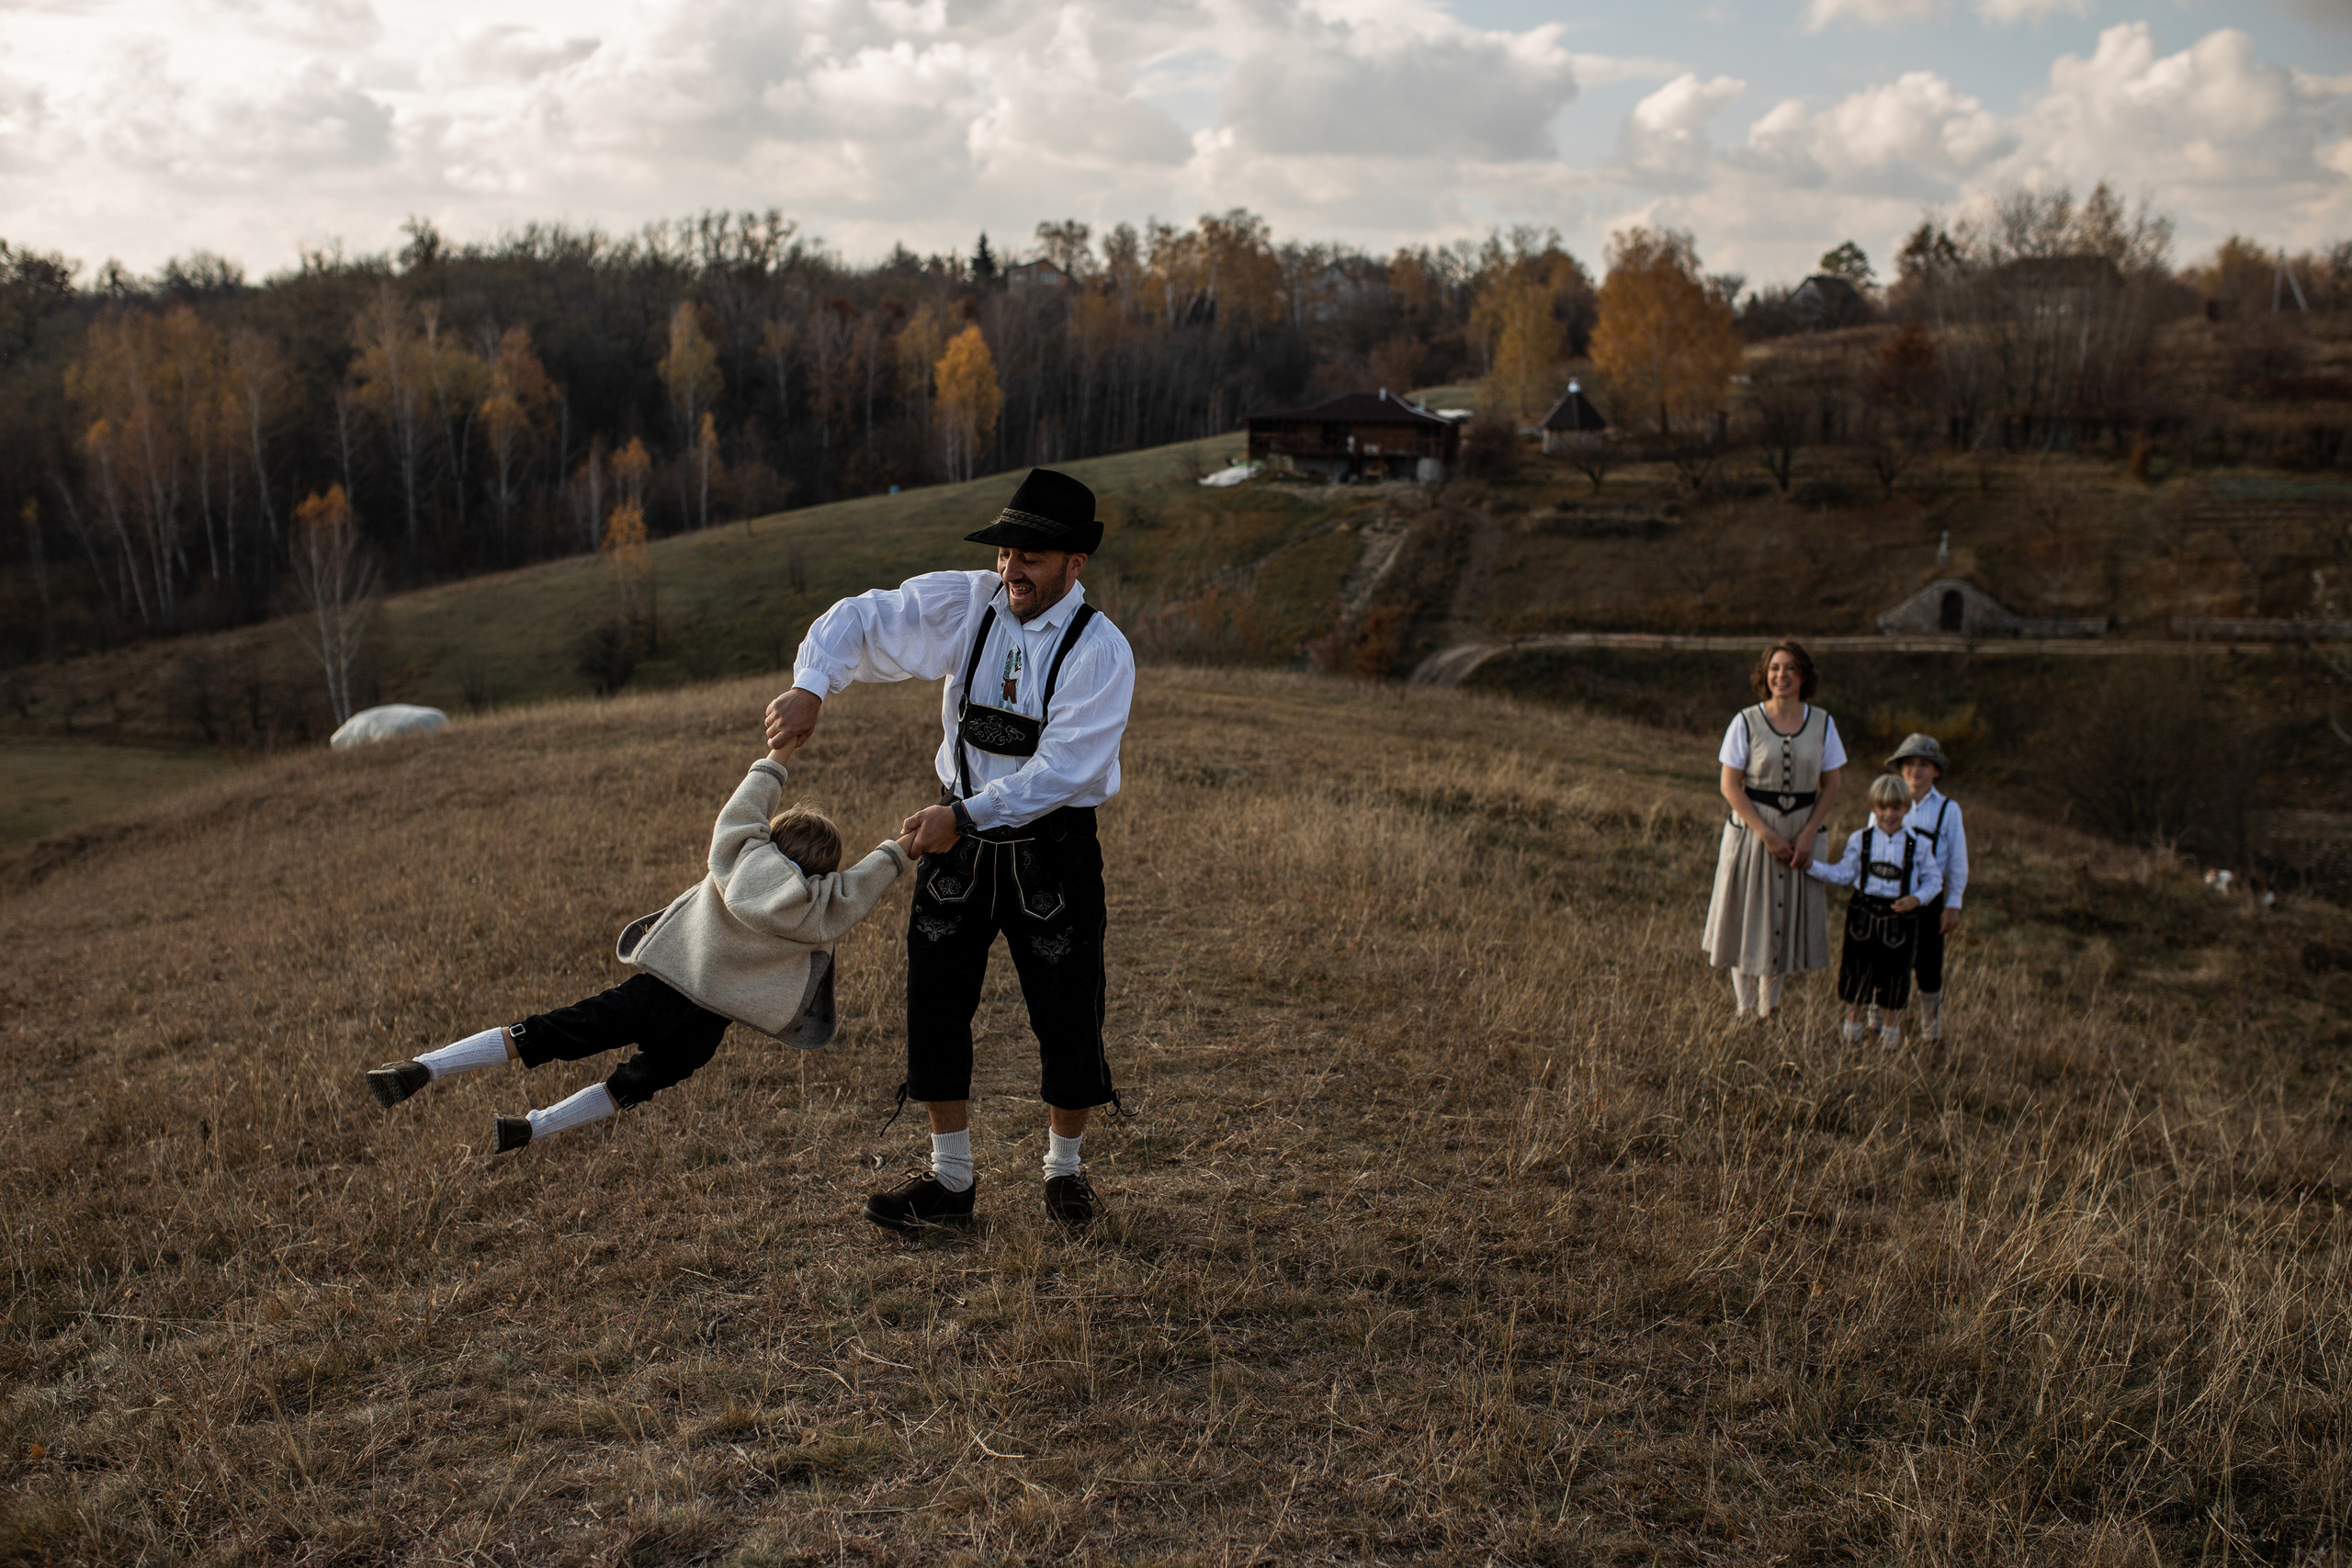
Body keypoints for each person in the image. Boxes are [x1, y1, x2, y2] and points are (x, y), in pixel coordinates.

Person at [763, 467, 1136, 1234]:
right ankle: (951, 1180)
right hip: (957, 843)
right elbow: (867, 617)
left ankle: (1065, 1175)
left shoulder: (1100, 651)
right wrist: (812, 685)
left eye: (1031, 557)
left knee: (1067, 1011)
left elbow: (1061, 772)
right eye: (1005, 552)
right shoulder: (970, 605)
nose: (1011, 569)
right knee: (934, 1003)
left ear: (1075, 563)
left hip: (1050, 849)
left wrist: (962, 817)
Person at [362, 736, 914, 1150]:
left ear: (770, 837)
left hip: (653, 994)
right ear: (825, 875)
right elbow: (861, 886)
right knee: (629, 1087)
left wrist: (780, 752)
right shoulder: (820, 910)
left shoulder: (738, 856)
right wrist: (901, 848)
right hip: (704, 1030)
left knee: (544, 1031)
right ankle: (534, 1128)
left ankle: (427, 1066)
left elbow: (741, 812)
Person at [1702, 639, 1846, 1018]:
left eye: (1791, 668)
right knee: (1746, 916)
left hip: (1801, 831)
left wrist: (1809, 833)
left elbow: (1832, 784)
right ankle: (1745, 1008)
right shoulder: (1746, 721)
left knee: (1784, 917)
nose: (1782, 675)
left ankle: (1771, 1008)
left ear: (1804, 676)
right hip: (1753, 831)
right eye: (1775, 668)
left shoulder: (1823, 723)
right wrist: (1765, 833)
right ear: (1765, 675)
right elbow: (1729, 785)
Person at [1806, 773, 1944, 1047]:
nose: (1889, 814)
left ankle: (1890, 1040)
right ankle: (1851, 1036)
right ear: (1872, 808)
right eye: (1883, 807)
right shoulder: (1862, 840)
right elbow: (1844, 873)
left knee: (1895, 977)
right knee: (1856, 974)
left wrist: (1916, 899)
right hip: (1863, 916)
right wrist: (1809, 865)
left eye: (1896, 808)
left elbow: (1934, 880)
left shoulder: (1917, 844)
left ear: (1907, 808)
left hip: (1900, 919)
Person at [1887, 732, 1969, 1043]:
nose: (1915, 770)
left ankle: (1930, 1029)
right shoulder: (1888, 803)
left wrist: (1953, 903)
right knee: (1886, 961)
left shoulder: (1949, 810)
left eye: (1923, 764)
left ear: (1936, 770)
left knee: (1928, 965)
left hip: (1930, 899)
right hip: (1891, 897)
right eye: (1909, 763)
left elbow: (1958, 861)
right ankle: (1878, 1023)